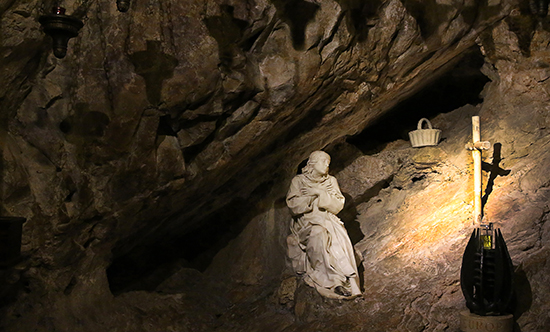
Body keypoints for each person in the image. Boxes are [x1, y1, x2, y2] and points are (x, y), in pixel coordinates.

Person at [286, 151, 361, 299]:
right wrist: (311, 196)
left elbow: (338, 205)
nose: (327, 165)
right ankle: (330, 280)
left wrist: (319, 192)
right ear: (313, 163)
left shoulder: (331, 181)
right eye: (323, 161)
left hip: (328, 219)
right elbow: (293, 205)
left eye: (328, 162)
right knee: (318, 233)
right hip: (307, 221)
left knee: (338, 239)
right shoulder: (299, 181)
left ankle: (340, 280)